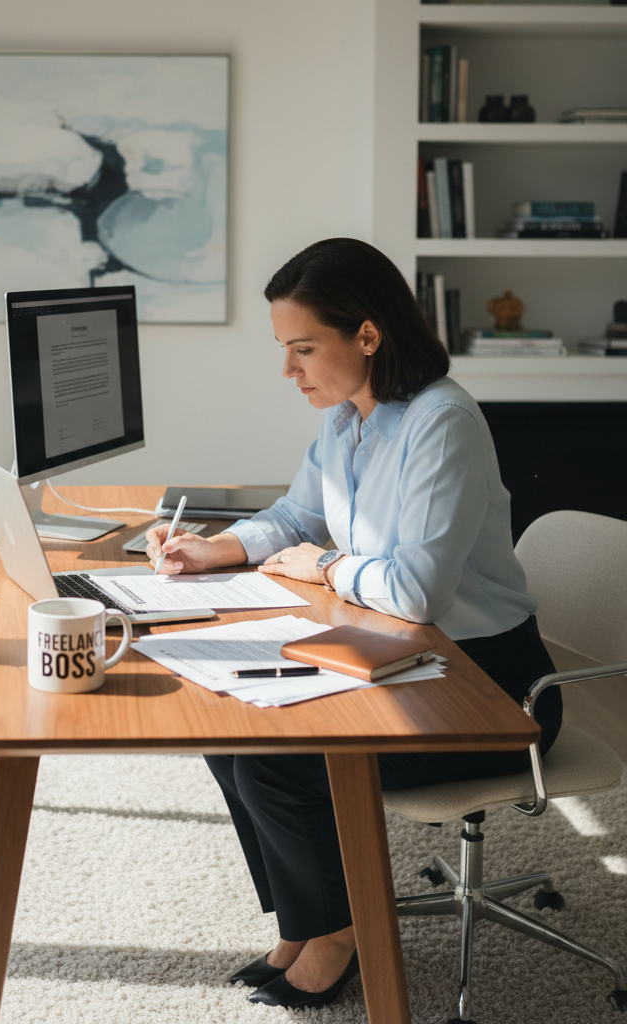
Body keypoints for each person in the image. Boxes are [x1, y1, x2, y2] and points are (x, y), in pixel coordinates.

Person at [145, 238, 562, 1011]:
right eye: (285, 350)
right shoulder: (349, 419)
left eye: (303, 348)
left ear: (367, 335)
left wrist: (326, 568)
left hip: (490, 684)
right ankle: (309, 923)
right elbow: (297, 515)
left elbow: (418, 590)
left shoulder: (443, 422)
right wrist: (215, 550)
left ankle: (341, 934)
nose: (289, 370)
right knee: (231, 732)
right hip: (402, 656)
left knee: (279, 762)